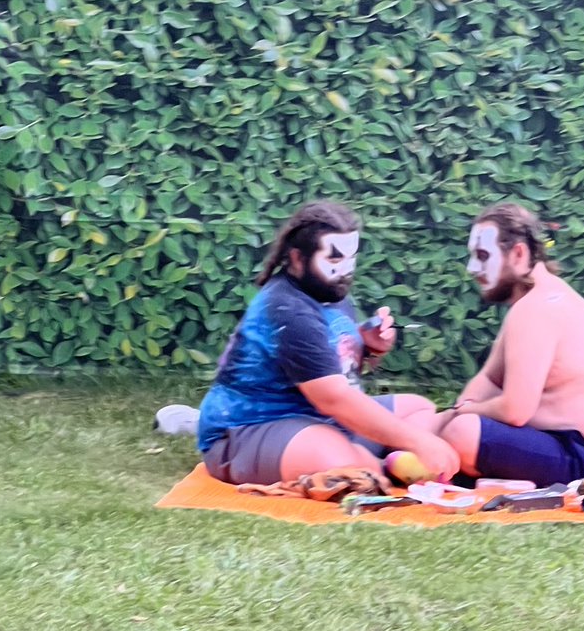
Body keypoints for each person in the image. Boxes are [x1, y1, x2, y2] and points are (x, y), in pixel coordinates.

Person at [196, 201, 459, 486]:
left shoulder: (330, 290)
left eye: (351, 258)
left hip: (322, 420)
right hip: (248, 430)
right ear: (298, 259)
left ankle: (387, 463)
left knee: (419, 408)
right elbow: (333, 398)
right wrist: (419, 442)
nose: (346, 270)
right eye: (334, 260)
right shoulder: (288, 309)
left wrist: (369, 346)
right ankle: (383, 464)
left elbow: (334, 368)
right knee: (337, 459)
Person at [433, 203, 584, 490]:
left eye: (482, 256)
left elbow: (515, 411)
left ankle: (487, 478)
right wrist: (451, 414)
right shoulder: (537, 300)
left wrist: (461, 415)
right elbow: (489, 379)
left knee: (463, 433)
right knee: (436, 422)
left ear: (518, 253)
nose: (472, 268)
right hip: (583, 451)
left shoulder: (537, 309)